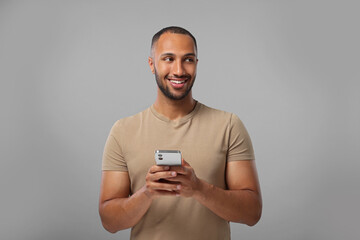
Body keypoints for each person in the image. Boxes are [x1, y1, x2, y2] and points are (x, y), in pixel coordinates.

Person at [99, 26, 262, 240]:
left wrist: (199, 189)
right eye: (168, 59)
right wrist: (147, 192)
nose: (179, 70)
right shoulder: (123, 131)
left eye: (188, 59)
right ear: (151, 64)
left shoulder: (229, 126)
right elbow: (109, 222)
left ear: (196, 64)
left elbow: (252, 213)